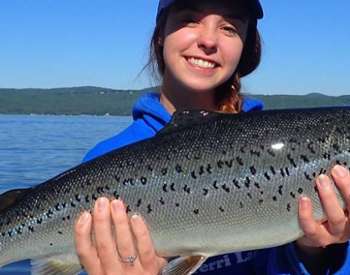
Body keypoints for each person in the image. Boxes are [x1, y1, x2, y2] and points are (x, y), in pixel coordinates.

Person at [73, 0, 350, 274]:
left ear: (245, 46)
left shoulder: (273, 138)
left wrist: (315, 251)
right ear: (160, 33)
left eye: (229, 27)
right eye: (190, 19)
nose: (208, 40)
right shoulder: (101, 163)